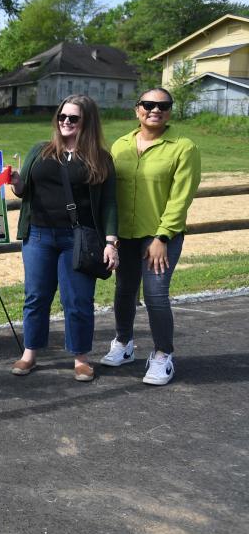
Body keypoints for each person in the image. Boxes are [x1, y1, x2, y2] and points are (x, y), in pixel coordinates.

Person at [9, 94, 118, 382]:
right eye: (61, 117)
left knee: (78, 300)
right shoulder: (40, 150)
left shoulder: (100, 158)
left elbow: (109, 203)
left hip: (78, 239)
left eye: (73, 118)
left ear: (88, 122)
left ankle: (81, 357)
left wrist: (110, 243)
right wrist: (16, 182)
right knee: (36, 296)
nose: (65, 122)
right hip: (39, 235)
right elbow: (23, 191)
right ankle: (29, 353)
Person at [101, 88, 201, 385]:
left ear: (170, 111)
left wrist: (163, 237)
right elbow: (110, 193)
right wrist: (111, 235)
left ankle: (162, 355)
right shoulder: (119, 146)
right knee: (124, 290)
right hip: (125, 235)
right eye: (148, 104)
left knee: (155, 294)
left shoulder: (183, 147)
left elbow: (181, 197)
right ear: (137, 109)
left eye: (163, 105)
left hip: (160, 236)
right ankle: (124, 343)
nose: (155, 110)